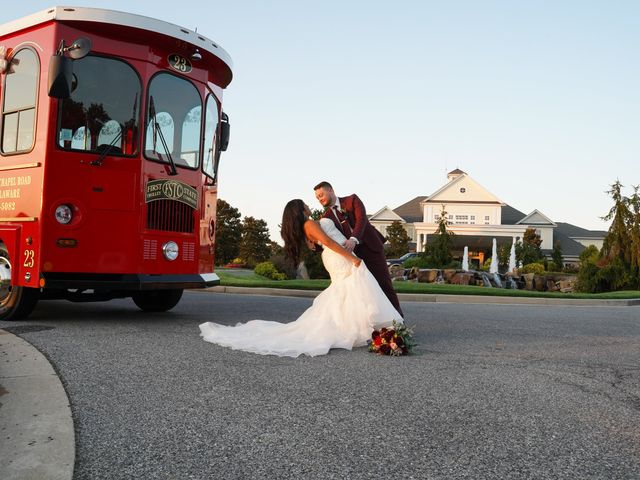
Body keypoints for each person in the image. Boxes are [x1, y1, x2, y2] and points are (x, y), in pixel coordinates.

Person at [199, 199, 403, 357]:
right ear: (300, 209)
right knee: (351, 288)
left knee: (348, 291)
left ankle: (356, 327)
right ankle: (357, 328)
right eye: (303, 203)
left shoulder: (308, 226)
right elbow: (329, 242)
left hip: (336, 256)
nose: (307, 203)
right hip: (339, 255)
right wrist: (352, 258)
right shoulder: (310, 224)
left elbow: (320, 241)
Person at [314, 181, 404, 316]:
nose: (320, 199)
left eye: (321, 195)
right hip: (354, 258)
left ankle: (398, 322)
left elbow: (362, 220)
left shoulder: (352, 200)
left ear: (331, 190)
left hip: (371, 248)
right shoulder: (326, 217)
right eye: (317, 198)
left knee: (385, 285)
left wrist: (353, 239)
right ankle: (376, 324)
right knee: (366, 291)